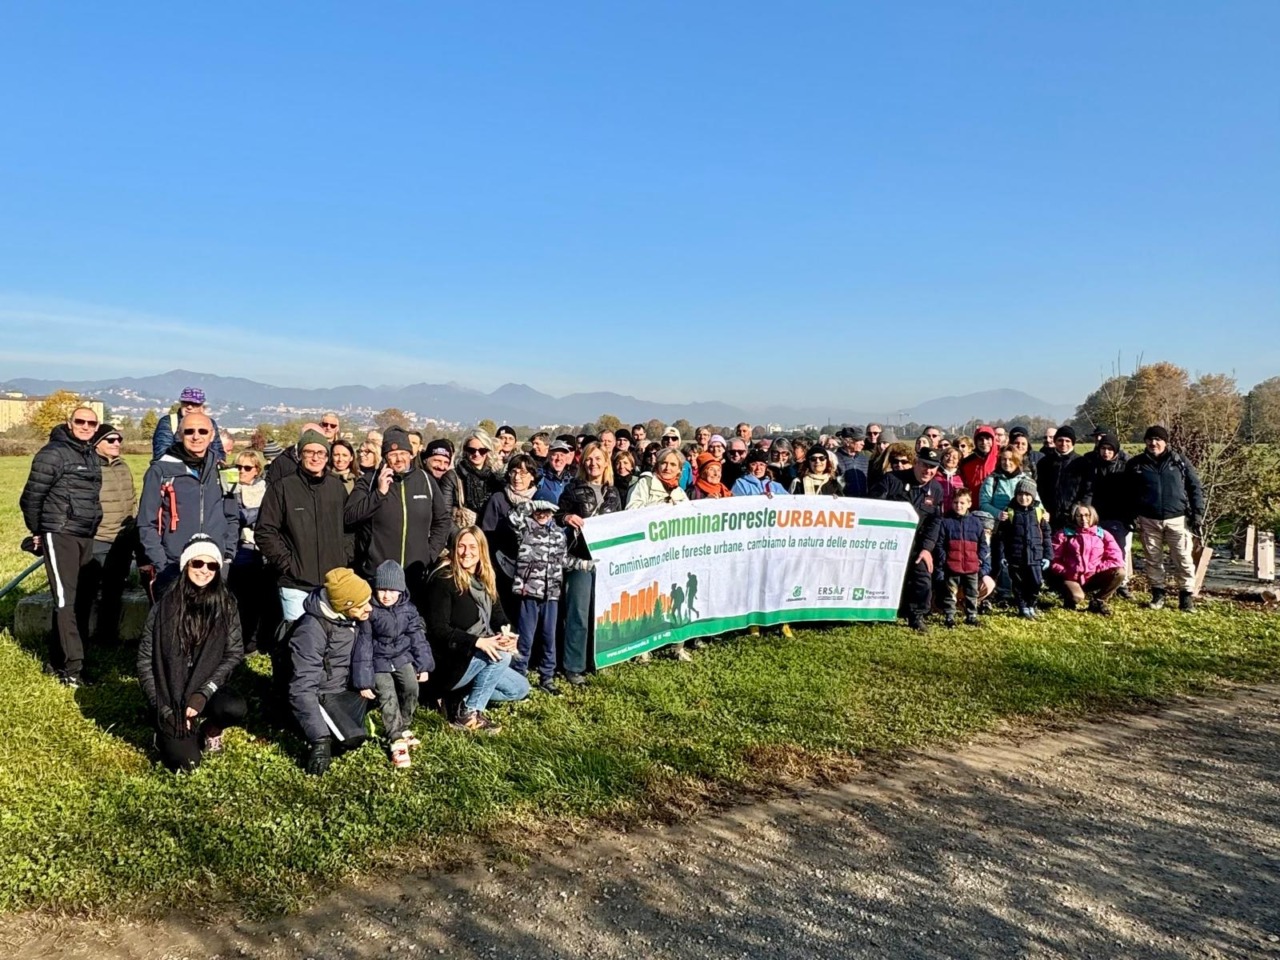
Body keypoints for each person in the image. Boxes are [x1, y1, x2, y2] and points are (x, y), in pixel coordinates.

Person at [136, 535, 247, 771]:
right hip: (170, 693)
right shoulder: (164, 606)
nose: (204, 570)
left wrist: (203, 693)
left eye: (212, 565)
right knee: (186, 765)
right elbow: (145, 661)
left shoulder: (226, 605)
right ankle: (163, 730)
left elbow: (234, 653)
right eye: (197, 563)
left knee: (234, 707)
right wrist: (162, 708)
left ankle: (210, 729)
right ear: (186, 565)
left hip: (205, 685)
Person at [20, 405, 103, 686]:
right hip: (60, 532)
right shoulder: (52, 454)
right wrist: (40, 531)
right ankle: (73, 669)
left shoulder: (90, 454)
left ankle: (57, 660)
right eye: (80, 421)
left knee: (81, 599)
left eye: (92, 423)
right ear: (69, 423)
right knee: (66, 601)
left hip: (85, 534)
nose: (86, 426)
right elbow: (31, 496)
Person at [423, 527, 530, 733]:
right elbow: (437, 630)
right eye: (461, 546)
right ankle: (468, 714)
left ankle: (458, 699)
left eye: (472, 547)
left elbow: (499, 618)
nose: (466, 552)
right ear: (454, 549)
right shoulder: (443, 580)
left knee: (520, 688)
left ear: (481, 550)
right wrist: (476, 642)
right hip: (449, 662)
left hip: (478, 657)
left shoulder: (485, 579)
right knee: (500, 656)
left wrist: (508, 635)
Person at [345, 427, 452, 608]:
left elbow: (442, 520)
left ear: (411, 454)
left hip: (414, 575)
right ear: (385, 457)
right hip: (377, 577)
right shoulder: (369, 481)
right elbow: (349, 516)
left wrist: (430, 553)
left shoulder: (425, 481)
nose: (398, 459)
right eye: (392, 454)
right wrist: (379, 494)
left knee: (411, 630)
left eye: (403, 453)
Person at [256, 428, 351, 624]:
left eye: (321, 452)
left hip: (332, 582)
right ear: (300, 455)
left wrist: (344, 556)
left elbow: (350, 526)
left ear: (327, 457)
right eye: (309, 452)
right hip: (295, 584)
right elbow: (265, 530)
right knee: (298, 639)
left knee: (332, 640)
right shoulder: (282, 488)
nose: (315, 458)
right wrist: (287, 563)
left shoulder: (337, 488)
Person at [138, 411, 237, 597]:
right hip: (173, 566)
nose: (196, 436)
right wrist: (161, 564)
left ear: (212, 435)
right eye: (189, 431)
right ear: (180, 434)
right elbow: (146, 522)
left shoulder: (223, 470)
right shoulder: (160, 471)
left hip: (214, 566)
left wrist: (228, 555)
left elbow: (232, 516)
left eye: (202, 431)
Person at [289, 568, 375, 775]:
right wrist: (320, 740)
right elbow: (301, 687)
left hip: (345, 686)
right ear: (344, 606)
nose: (370, 609)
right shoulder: (311, 630)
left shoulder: (354, 618)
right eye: (361, 605)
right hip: (322, 693)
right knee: (352, 739)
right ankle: (306, 726)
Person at [352, 560, 434, 769]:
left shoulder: (409, 609)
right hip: (378, 661)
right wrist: (363, 680)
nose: (386, 595)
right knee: (387, 695)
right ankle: (395, 738)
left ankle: (403, 725)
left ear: (401, 590)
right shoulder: (370, 611)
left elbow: (417, 636)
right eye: (382, 589)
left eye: (392, 590)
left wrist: (423, 664)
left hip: (401, 657)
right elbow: (363, 645)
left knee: (411, 688)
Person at [508, 499, 595, 693]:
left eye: (547, 511)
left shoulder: (558, 533)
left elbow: (563, 559)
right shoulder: (525, 528)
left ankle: (547, 677)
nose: (542, 515)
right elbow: (514, 517)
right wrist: (531, 505)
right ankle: (517, 676)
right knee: (525, 638)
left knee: (549, 637)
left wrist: (583, 565)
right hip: (528, 593)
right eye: (539, 511)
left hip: (551, 595)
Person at [555, 442, 621, 685]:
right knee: (578, 614)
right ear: (583, 464)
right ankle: (573, 666)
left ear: (606, 462)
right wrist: (567, 517)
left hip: (605, 562)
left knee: (601, 613)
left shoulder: (613, 493)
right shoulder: (573, 489)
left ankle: (597, 659)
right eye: (588, 460)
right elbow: (556, 515)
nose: (593, 464)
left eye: (597, 459)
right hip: (579, 560)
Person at [1125, 425, 1204, 612]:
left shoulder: (1179, 461)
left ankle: (1186, 598)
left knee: (1183, 559)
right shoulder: (1136, 464)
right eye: (1150, 439)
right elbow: (1127, 492)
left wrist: (1197, 513)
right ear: (1145, 441)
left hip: (1177, 519)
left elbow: (1195, 487)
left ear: (1165, 442)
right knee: (1153, 559)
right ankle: (1157, 595)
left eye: (1158, 439)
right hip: (1148, 519)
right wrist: (1130, 514)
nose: (1154, 443)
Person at [873, 447, 944, 632]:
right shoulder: (892, 480)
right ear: (916, 463)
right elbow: (873, 507)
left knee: (923, 577)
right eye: (925, 465)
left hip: (916, 543)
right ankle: (876, 612)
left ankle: (917, 616)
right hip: (888, 541)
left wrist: (927, 548)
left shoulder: (936, 489)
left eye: (933, 467)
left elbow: (934, 522)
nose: (928, 471)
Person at [83, 424, 135, 647]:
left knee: (114, 591)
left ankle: (107, 636)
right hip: (98, 538)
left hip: (122, 538)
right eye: (111, 440)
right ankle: (81, 637)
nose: (117, 444)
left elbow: (132, 498)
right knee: (88, 592)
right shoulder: (90, 469)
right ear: (97, 444)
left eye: (119, 440)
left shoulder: (123, 466)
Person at [478, 453, 539, 615]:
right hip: (503, 566)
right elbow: (487, 534)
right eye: (514, 472)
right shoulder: (498, 499)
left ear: (532, 476)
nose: (517, 477)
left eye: (523, 473)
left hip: (533, 570)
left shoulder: (540, 500)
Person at [227, 449, 271, 651]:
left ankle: (254, 641)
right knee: (239, 600)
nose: (241, 471)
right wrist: (257, 514)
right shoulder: (230, 489)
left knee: (258, 600)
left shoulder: (266, 490)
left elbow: (264, 515)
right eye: (238, 467)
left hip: (261, 551)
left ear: (257, 470)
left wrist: (249, 516)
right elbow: (235, 516)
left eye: (247, 468)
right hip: (240, 550)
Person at [1047, 503, 1125, 615]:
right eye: (1079, 516)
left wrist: (1097, 569)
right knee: (1077, 598)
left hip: (1093, 576)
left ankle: (1098, 601)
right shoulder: (1063, 534)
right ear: (1074, 517)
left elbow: (1116, 559)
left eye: (1087, 515)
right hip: (1070, 577)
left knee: (1120, 572)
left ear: (1093, 516)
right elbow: (1053, 559)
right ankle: (1069, 597)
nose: (1084, 519)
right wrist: (1066, 571)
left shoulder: (1103, 534)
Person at [1081, 433, 1133, 599]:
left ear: (1116, 451)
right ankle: (1098, 582)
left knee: (1118, 551)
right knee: (1096, 550)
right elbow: (1088, 490)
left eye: (1110, 449)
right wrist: (1086, 511)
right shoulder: (1092, 465)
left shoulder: (1125, 466)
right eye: (1103, 448)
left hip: (1118, 516)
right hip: (1097, 514)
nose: (1106, 452)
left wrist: (1130, 516)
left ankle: (1120, 584)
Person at [995, 478, 1052, 619]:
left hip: (1035, 555)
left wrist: (1048, 556)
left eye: (1027, 495)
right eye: (1020, 494)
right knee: (1018, 583)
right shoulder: (1009, 513)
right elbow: (1001, 537)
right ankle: (1022, 608)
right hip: (1015, 556)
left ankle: (1031, 604)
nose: (1023, 498)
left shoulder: (1039, 513)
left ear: (1032, 496)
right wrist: (1002, 556)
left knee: (1036, 582)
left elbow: (1046, 535)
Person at [935, 488, 990, 628]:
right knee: (950, 593)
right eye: (955, 502)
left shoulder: (976, 523)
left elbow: (983, 544)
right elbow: (940, 544)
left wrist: (980, 558)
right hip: (952, 566)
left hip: (971, 566)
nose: (958, 506)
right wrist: (944, 560)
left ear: (969, 504)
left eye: (962, 503)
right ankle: (949, 617)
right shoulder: (946, 522)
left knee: (972, 593)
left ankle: (971, 615)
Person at [151, 387, 226, 464]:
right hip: (175, 471)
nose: (189, 407)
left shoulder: (210, 423)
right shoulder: (169, 422)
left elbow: (217, 451)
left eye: (194, 404)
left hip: (205, 471)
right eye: (185, 402)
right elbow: (161, 454)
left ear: (202, 406)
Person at [1037, 425, 1088, 528]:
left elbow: (1087, 491)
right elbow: (1040, 488)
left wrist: (1078, 509)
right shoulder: (1044, 462)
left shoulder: (1083, 463)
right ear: (1055, 441)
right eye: (1060, 440)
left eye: (1067, 441)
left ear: (1072, 443)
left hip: (1073, 516)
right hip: (1048, 516)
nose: (1063, 444)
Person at [455, 429, 502, 520]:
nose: (476, 454)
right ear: (465, 450)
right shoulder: (454, 476)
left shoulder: (496, 478)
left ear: (488, 451)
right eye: (471, 450)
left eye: (482, 450)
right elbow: (446, 513)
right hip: (464, 531)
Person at [422, 438, 460, 522]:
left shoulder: (451, 483)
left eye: (446, 462)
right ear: (425, 460)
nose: (441, 467)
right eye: (437, 461)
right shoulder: (416, 481)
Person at [534, 439, 577, 504]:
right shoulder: (538, 477)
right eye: (555, 454)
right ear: (548, 456)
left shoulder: (572, 481)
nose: (559, 458)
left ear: (566, 458)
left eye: (562, 455)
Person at [937, 446, 965, 514]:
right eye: (947, 455)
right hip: (937, 514)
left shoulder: (962, 477)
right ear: (942, 458)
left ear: (958, 461)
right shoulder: (935, 475)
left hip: (955, 514)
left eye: (954, 457)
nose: (950, 459)